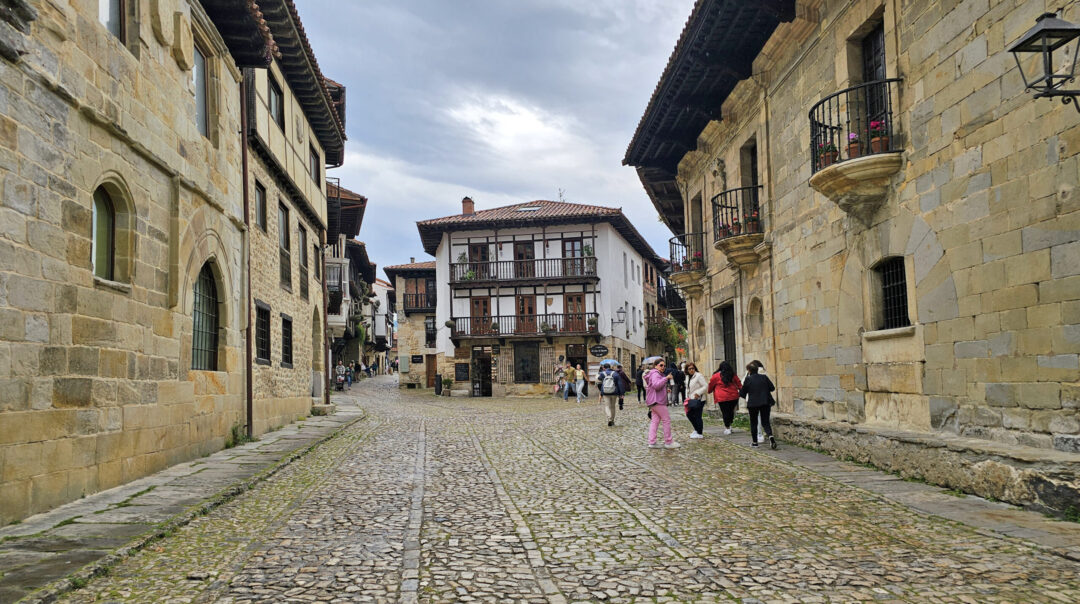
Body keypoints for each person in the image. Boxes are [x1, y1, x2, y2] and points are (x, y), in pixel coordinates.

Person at [739, 361, 777, 449]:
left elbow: (743, 393)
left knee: (754, 422)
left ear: (749, 370)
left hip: (753, 404)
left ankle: (755, 442)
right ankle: (771, 437)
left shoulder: (748, 379)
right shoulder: (764, 377)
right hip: (765, 402)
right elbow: (772, 388)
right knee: (765, 422)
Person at [645, 360, 679, 449]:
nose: (663, 367)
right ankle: (668, 442)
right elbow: (656, 385)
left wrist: (665, 389)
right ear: (655, 366)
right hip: (658, 401)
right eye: (661, 365)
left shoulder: (655, 373)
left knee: (655, 421)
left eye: (664, 365)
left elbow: (654, 386)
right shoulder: (655, 374)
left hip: (654, 401)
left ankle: (652, 442)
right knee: (666, 420)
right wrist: (666, 378)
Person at [708, 361, 742, 435]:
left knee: (725, 412)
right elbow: (739, 383)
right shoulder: (733, 375)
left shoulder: (716, 376)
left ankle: (727, 427)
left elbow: (711, 384)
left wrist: (709, 391)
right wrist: (741, 390)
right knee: (731, 411)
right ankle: (730, 424)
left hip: (722, 397)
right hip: (733, 396)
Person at [684, 362, 708, 439]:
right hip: (691, 399)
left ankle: (700, 433)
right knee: (689, 414)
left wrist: (698, 393)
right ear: (687, 370)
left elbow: (705, 386)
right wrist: (686, 397)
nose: (691, 370)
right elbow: (687, 388)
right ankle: (696, 429)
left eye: (693, 368)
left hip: (699, 399)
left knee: (698, 416)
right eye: (689, 369)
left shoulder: (698, 376)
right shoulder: (687, 377)